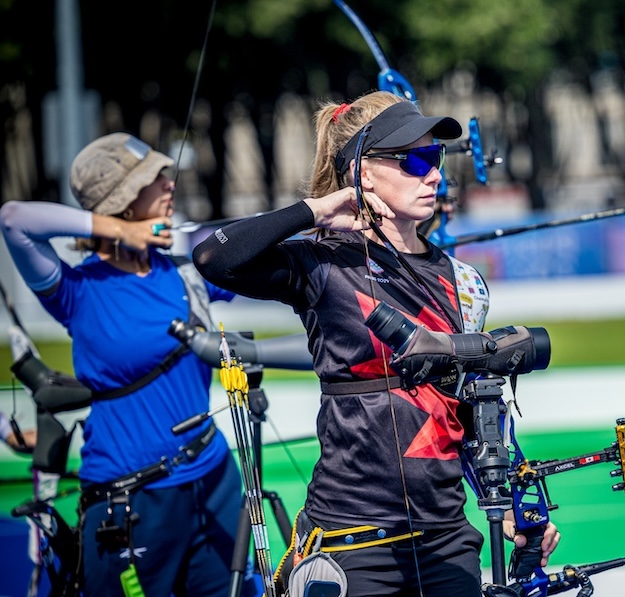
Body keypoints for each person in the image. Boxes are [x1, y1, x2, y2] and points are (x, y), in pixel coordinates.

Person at [193, 91, 560, 596]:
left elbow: (478, 403)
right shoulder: (323, 263)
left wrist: (519, 507)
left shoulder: (462, 280)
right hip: (353, 542)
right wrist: (316, 212)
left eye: (436, 159)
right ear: (363, 171)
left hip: (446, 540)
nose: (433, 174)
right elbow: (214, 257)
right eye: (413, 160)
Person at [0, 133, 243, 597]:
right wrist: (119, 233)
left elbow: (263, 234)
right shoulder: (77, 290)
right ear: (123, 202)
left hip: (215, 480)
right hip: (129, 500)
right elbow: (13, 219)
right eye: (154, 178)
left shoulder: (185, 267)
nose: (169, 182)